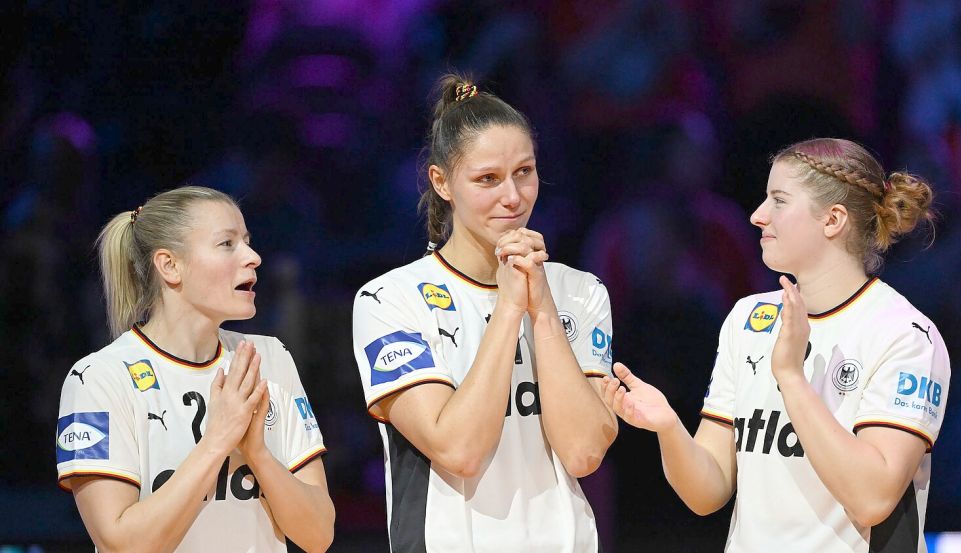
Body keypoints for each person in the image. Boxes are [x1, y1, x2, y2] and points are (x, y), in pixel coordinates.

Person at [603, 138, 950, 552]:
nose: (757, 215)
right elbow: (707, 492)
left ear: (833, 219)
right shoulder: (748, 318)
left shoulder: (905, 334)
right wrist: (668, 427)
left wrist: (790, 376)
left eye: (779, 200)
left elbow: (873, 498)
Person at [351, 75, 618, 553]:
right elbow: (458, 450)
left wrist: (543, 310)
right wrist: (511, 305)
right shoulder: (390, 298)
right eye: (487, 179)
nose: (513, 197)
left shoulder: (580, 291)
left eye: (525, 172)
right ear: (442, 182)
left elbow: (584, 452)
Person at [55, 186, 334, 552]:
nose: (253, 257)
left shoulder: (268, 357)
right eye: (227, 244)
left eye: (247, 241)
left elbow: (318, 536)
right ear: (170, 265)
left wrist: (258, 453)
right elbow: (121, 545)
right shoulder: (97, 378)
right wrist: (218, 439)